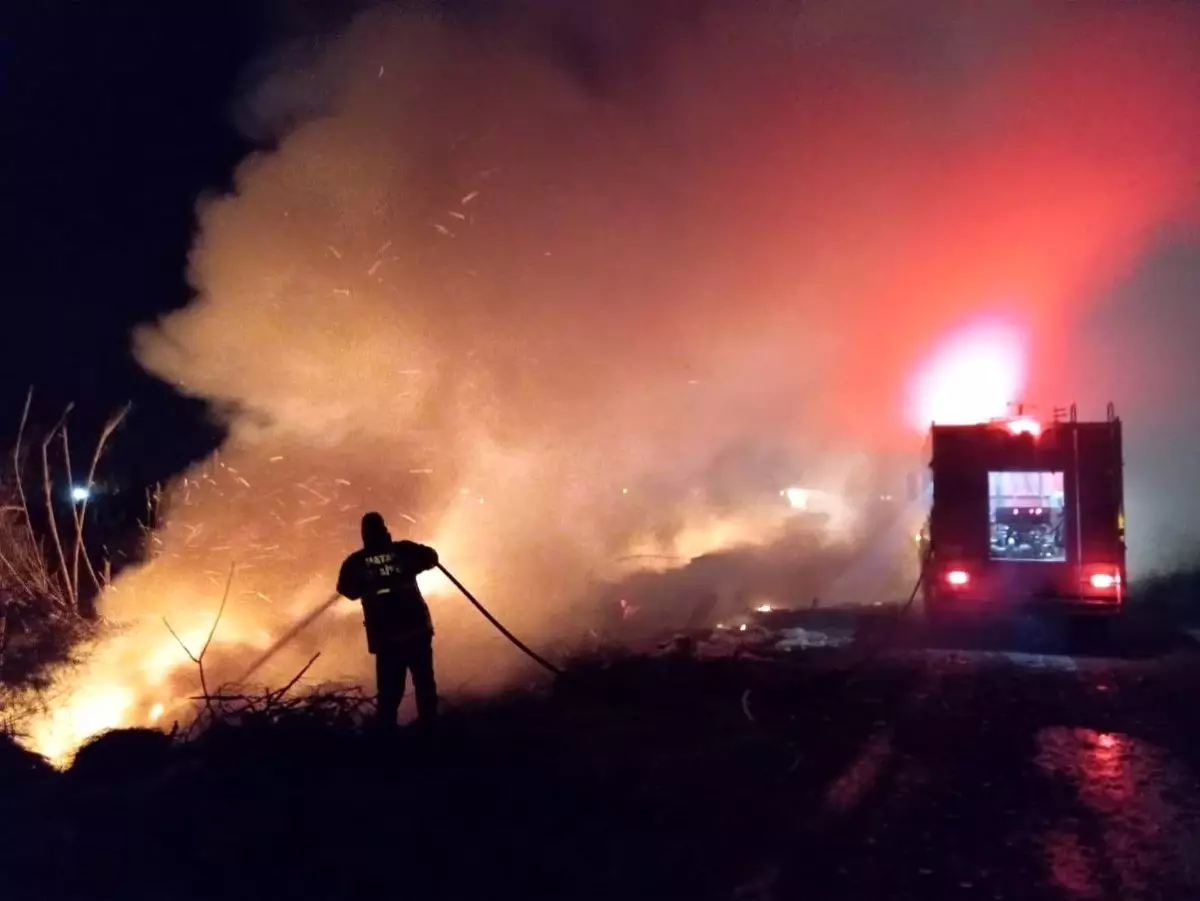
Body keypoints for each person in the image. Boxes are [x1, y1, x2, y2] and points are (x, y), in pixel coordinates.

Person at [336, 512, 440, 734]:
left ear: (364, 534)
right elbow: (431, 556)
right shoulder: (404, 551)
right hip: (416, 631)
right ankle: (429, 731)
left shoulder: (356, 563)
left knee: (390, 692)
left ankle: (387, 737)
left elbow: (346, 590)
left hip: (387, 639)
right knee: (424, 684)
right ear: (385, 530)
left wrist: (368, 582)